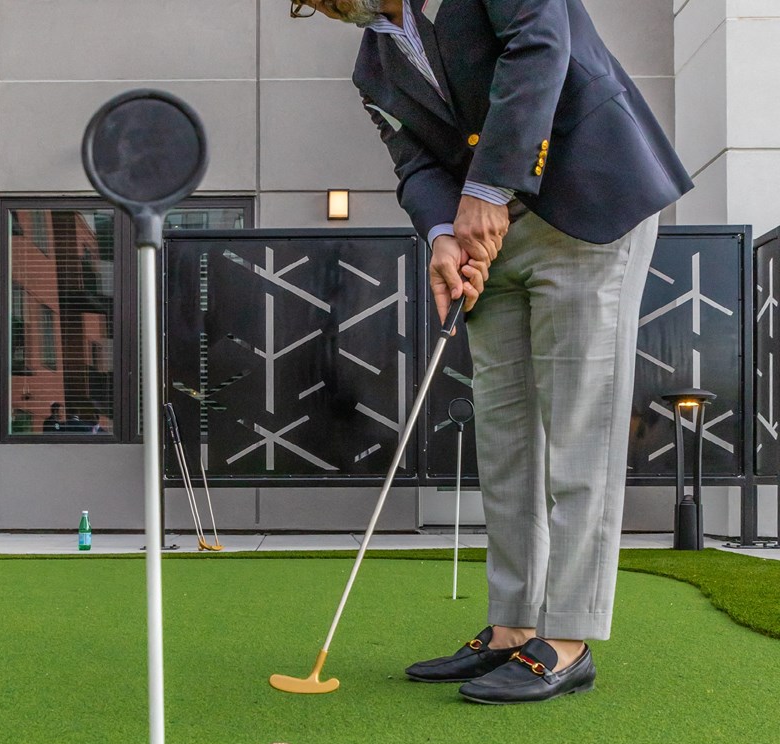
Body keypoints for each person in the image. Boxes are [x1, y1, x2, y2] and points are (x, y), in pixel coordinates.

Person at [290, 0, 693, 703]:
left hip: (584, 206)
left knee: (577, 430)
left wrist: (487, 185)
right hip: (485, 241)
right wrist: (443, 235)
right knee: (505, 437)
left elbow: (541, 41)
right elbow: (413, 160)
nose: (325, 6)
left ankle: (566, 640)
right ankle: (512, 627)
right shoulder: (372, 66)